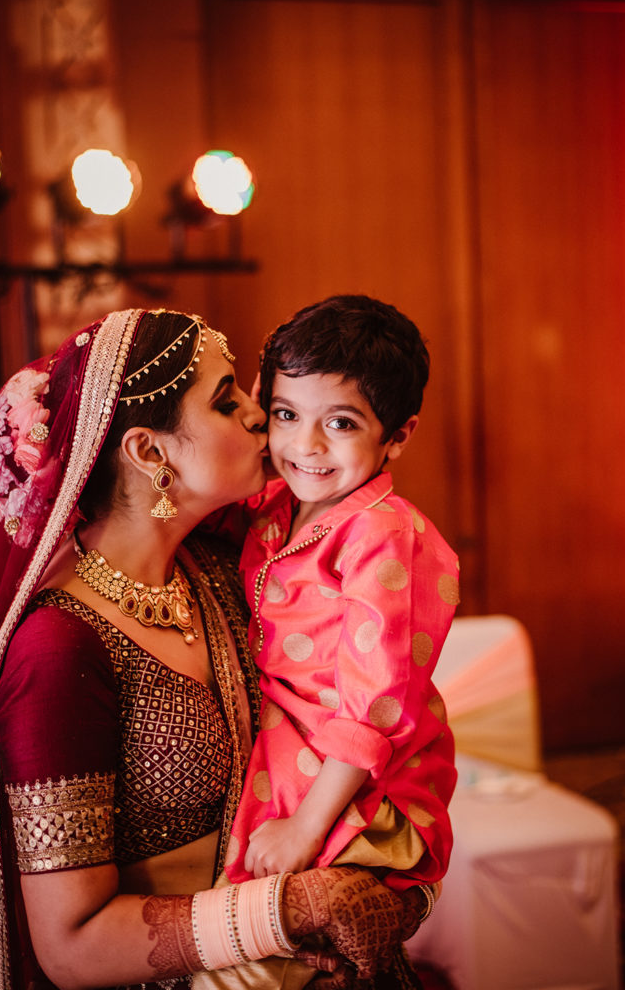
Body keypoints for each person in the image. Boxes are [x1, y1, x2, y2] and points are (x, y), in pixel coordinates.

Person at [0, 307, 433, 990]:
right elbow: (71, 948)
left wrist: (405, 887)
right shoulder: (59, 649)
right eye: (227, 401)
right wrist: (291, 908)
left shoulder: (227, 563)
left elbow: (378, 698)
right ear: (150, 453)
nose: (259, 416)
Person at [221, 295, 459, 899]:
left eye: (341, 423)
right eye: (286, 414)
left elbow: (373, 708)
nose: (306, 445)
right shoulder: (276, 504)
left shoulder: (384, 534)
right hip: (290, 746)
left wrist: (306, 826)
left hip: (360, 781)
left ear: (396, 436)